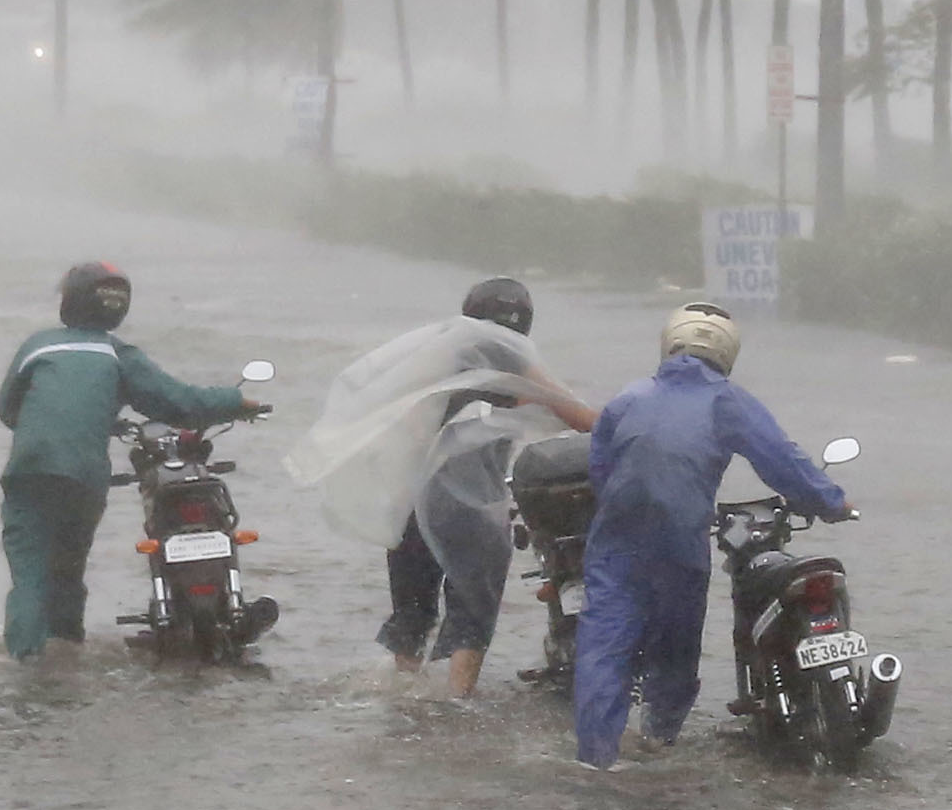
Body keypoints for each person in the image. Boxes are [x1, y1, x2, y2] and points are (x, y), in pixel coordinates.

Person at [568, 303, 848, 769]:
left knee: (604, 646)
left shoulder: (627, 399)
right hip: (680, 539)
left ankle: (595, 762)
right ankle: (657, 744)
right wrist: (833, 503)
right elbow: (781, 460)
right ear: (726, 353)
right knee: (676, 645)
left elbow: (602, 472)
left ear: (669, 343)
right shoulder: (727, 402)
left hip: (617, 537)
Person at [0, 261, 265, 663]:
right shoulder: (116, 355)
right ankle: (66, 653)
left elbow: (7, 409)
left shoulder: (38, 346)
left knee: (30, 577)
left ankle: (24, 666)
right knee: (68, 571)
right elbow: (178, 402)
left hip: (28, 472)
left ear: (69, 302)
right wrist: (235, 402)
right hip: (84, 477)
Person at [356, 278, 596, 694]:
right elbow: (576, 415)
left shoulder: (431, 358)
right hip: (472, 509)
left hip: (411, 502)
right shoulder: (512, 362)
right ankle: (456, 701)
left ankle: (401, 700)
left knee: (412, 609)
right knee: (472, 610)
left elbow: (401, 429)